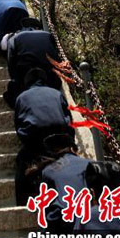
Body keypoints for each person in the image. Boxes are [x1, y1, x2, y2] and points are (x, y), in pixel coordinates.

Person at [13, 68, 74, 204]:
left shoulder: (22, 97)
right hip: (61, 140)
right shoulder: (57, 94)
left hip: (37, 139)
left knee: (21, 164)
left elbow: (19, 127)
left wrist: (28, 140)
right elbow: (69, 119)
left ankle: (24, 206)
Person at [4, 22, 62, 106]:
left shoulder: (14, 38)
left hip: (25, 72)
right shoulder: (47, 35)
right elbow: (55, 55)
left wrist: (16, 79)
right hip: (47, 72)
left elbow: (11, 63)